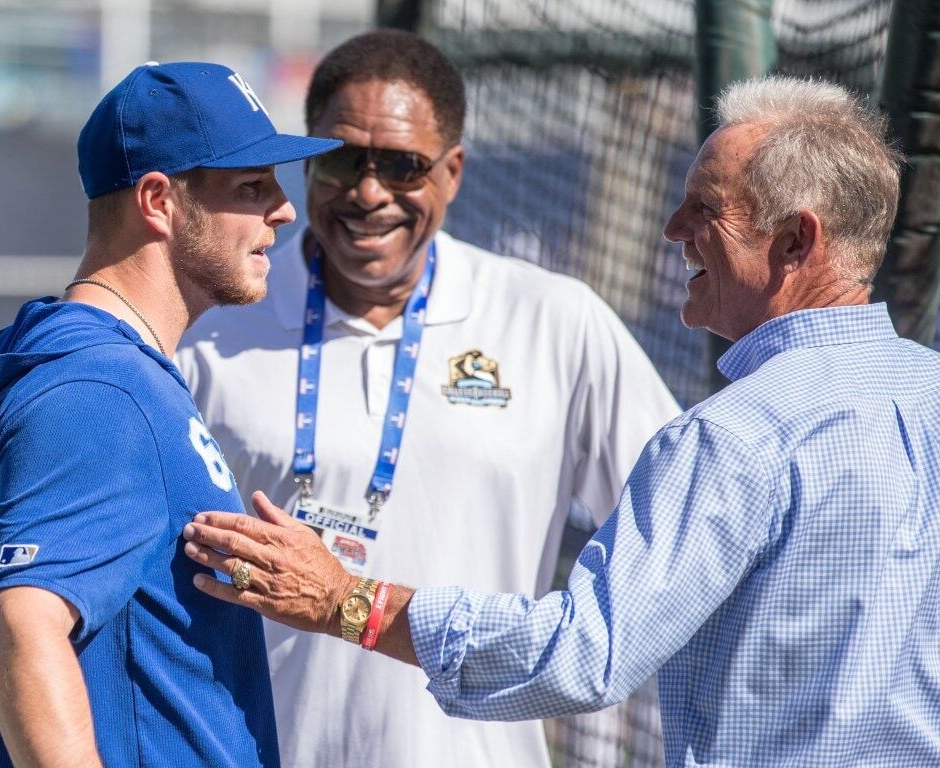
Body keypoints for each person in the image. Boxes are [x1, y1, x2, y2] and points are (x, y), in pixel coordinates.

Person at [181, 74, 940, 766]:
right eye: (344, 160)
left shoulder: (729, 436)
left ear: (795, 240)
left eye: (704, 207)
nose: (673, 228)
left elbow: (588, 653)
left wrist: (343, 601)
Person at [176, 29, 680, 768]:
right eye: (344, 159)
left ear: (453, 172)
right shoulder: (214, 327)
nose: (370, 192)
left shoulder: (553, 320)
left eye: (405, 167)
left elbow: (678, 535)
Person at [0, 61, 339, 767]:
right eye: (250, 186)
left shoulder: (36, 365)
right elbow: (16, 632)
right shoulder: (103, 390)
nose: (284, 209)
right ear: (158, 200)